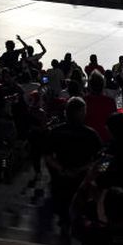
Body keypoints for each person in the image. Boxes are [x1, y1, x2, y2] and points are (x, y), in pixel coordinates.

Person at [45, 97, 103, 235]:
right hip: (83, 181)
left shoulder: (56, 131)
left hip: (60, 180)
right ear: (82, 112)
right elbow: (101, 160)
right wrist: (91, 173)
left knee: (63, 211)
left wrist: (62, 169)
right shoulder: (91, 134)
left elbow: (48, 156)